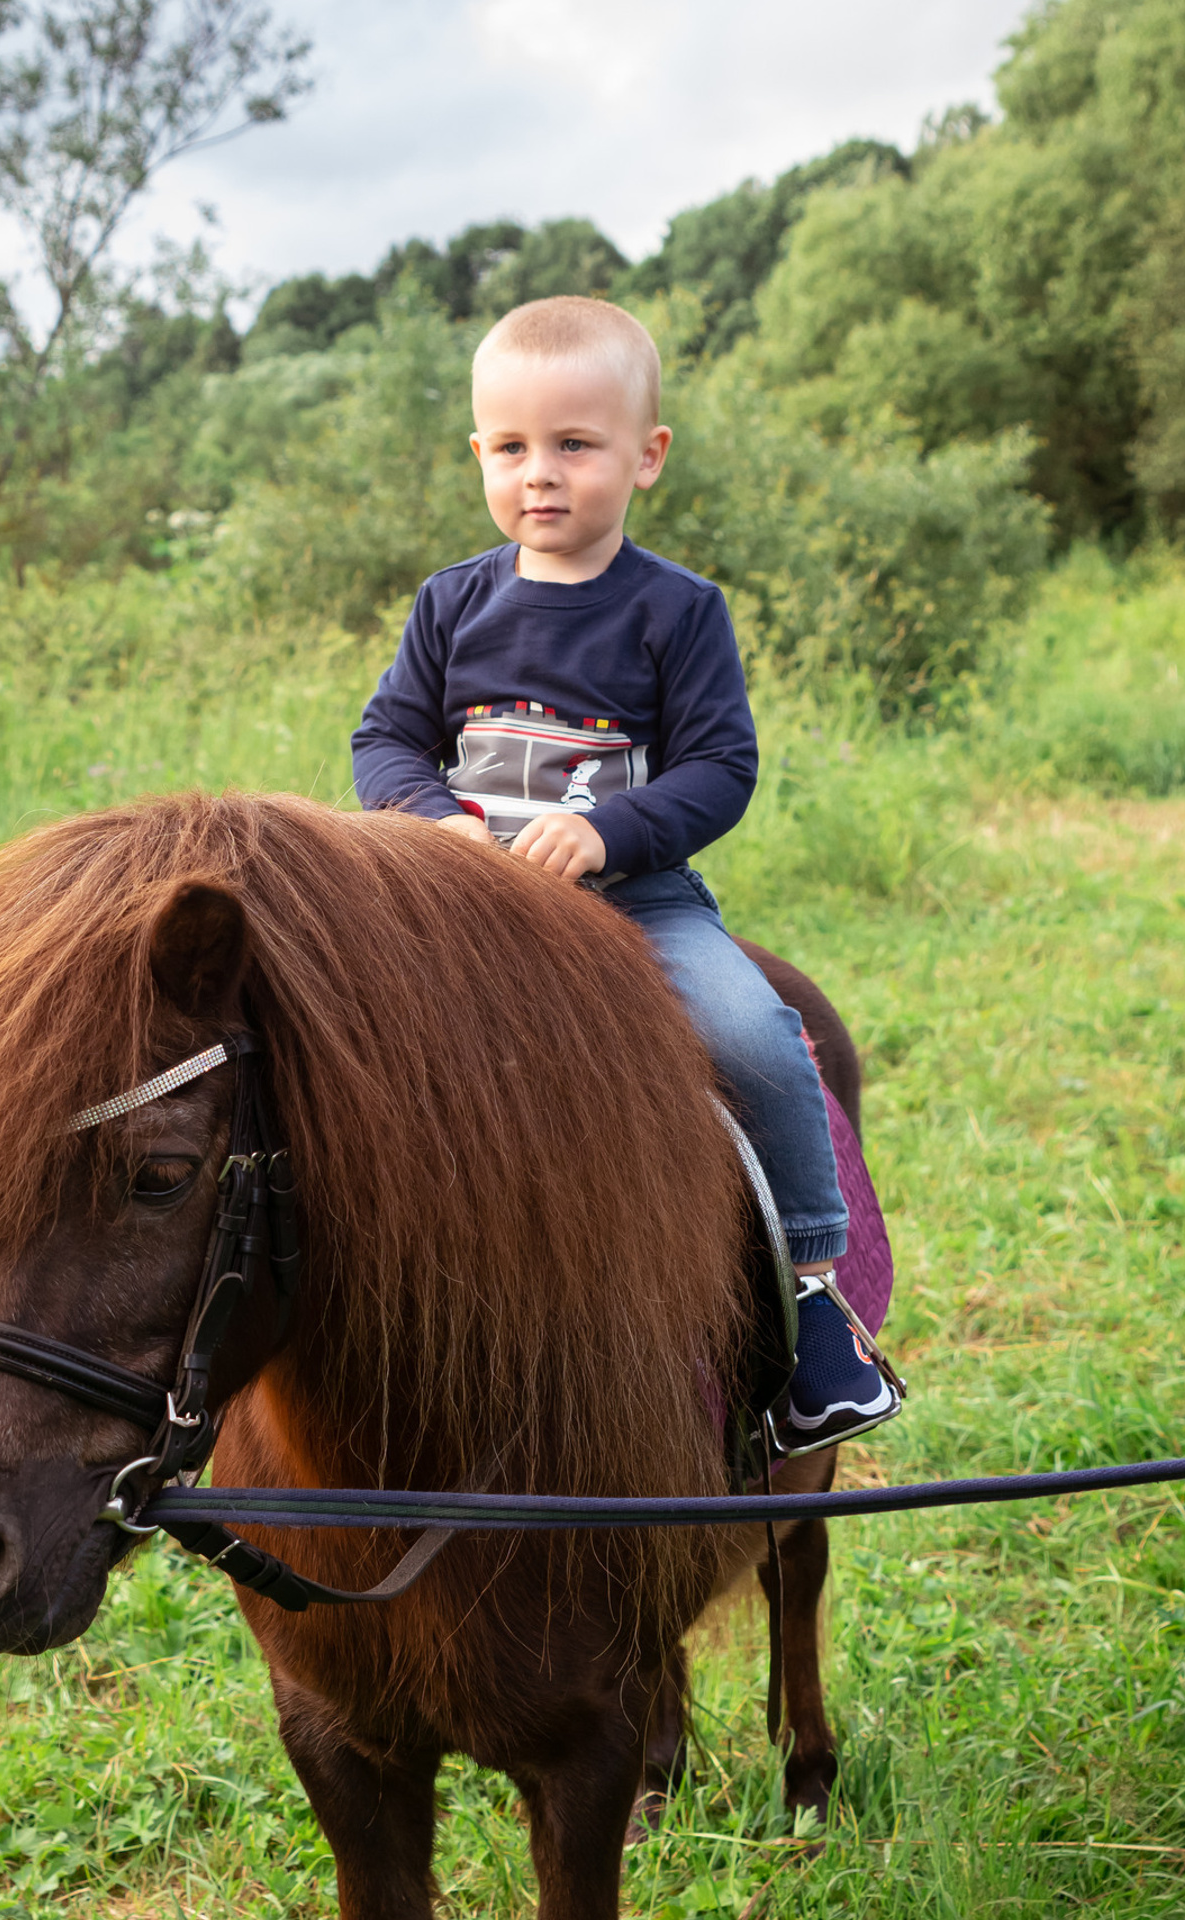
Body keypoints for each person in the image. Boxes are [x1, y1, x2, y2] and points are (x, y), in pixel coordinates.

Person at [351, 295, 899, 1452]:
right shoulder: (451, 603)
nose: (538, 474)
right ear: (479, 456)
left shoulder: (677, 611)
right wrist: (428, 817)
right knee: (339, 1049)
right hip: (465, 907)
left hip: (637, 902)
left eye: (574, 444)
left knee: (755, 1035)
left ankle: (812, 1306)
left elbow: (720, 769)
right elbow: (385, 740)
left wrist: (609, 835)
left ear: (646, 457)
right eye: (510, 447)